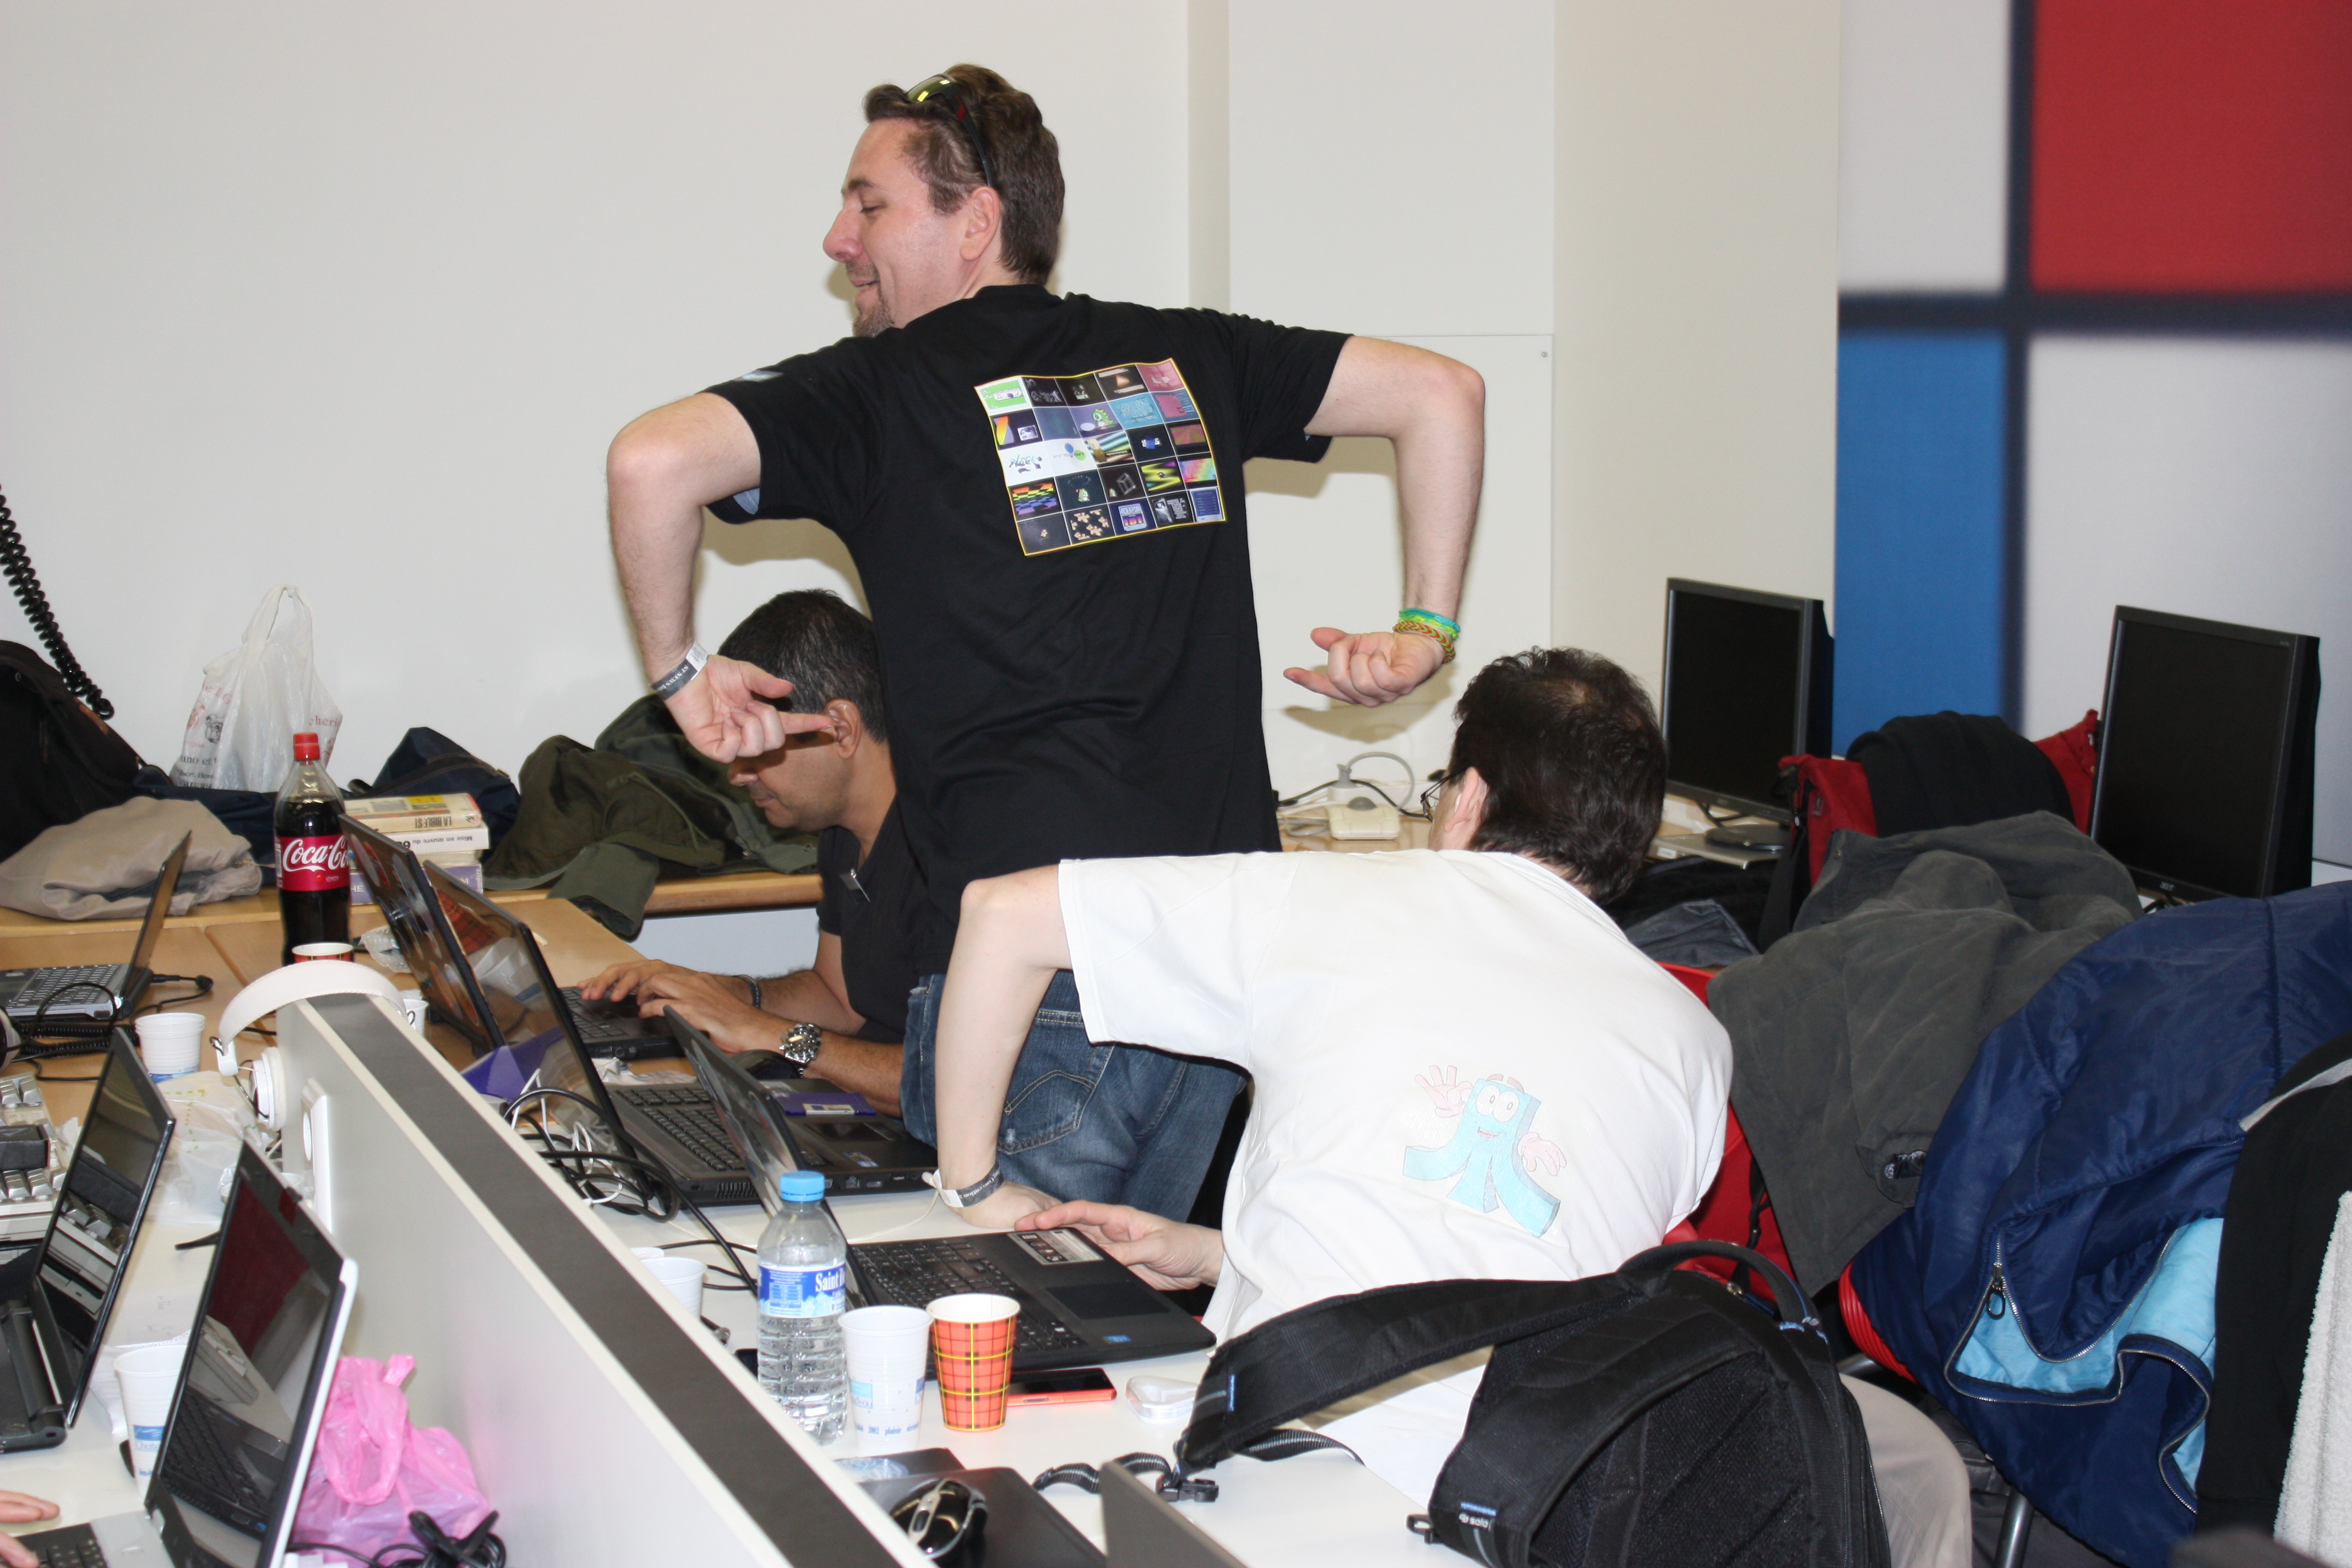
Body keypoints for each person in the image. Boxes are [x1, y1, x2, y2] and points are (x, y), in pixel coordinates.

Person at [605, 64, 1485, 1219]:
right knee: (1121, 1301)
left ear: (976, 222)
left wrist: (679, 673)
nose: (838, 239)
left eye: (869, 205)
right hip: (1216, 976)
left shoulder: (884, 392)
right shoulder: (1178, 360)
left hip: (1037, 989)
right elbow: (1443, 392)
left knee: (1008, 1308)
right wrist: (1426, 628)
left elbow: (650, 462)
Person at [925, 647, 1973, 1568]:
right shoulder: (1693, 1039)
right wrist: (1214, 1253)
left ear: (1467, 799)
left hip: (1278, 1476)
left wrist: (972, 1187)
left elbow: (1000, 913)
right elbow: (1531, 1259)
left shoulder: (1333, 898)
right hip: (1528, 1507)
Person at [580, 590, 914, 1113]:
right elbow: (839, 999)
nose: (738, 774)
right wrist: (721, 994)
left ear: (841, 729)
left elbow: (950, 1085)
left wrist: (762, 1031)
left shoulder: (953, 858)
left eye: (756, 744)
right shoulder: (842, 834)